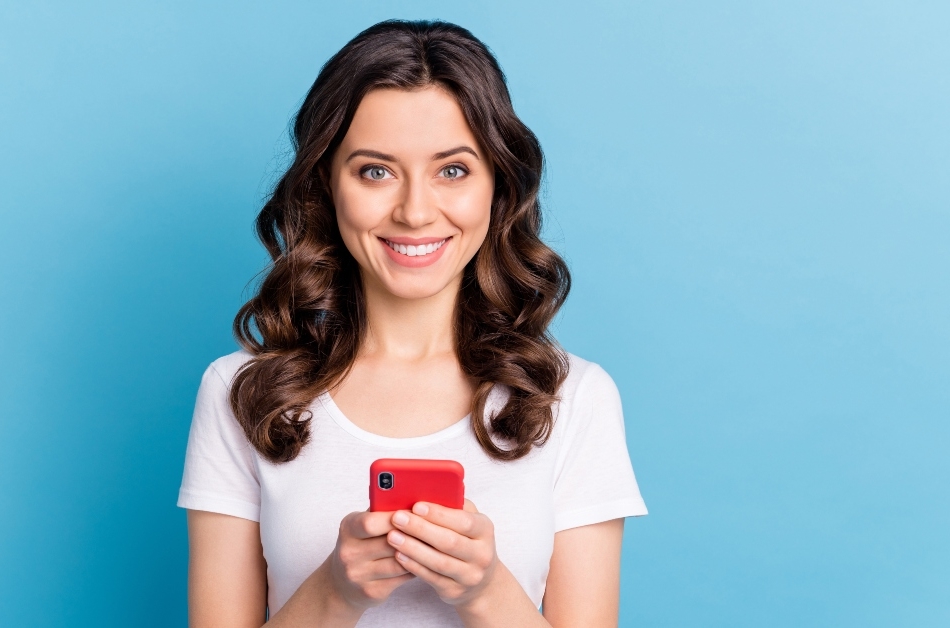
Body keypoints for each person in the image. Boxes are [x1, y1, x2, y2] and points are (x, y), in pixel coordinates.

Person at [178, 19, 646, 628]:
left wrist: (484, 593)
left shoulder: (573, 398)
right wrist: (337, 592)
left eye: (452, 170)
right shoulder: (241, 391)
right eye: (375, 170)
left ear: (498, 187)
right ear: (327, 184)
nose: (415, 211)